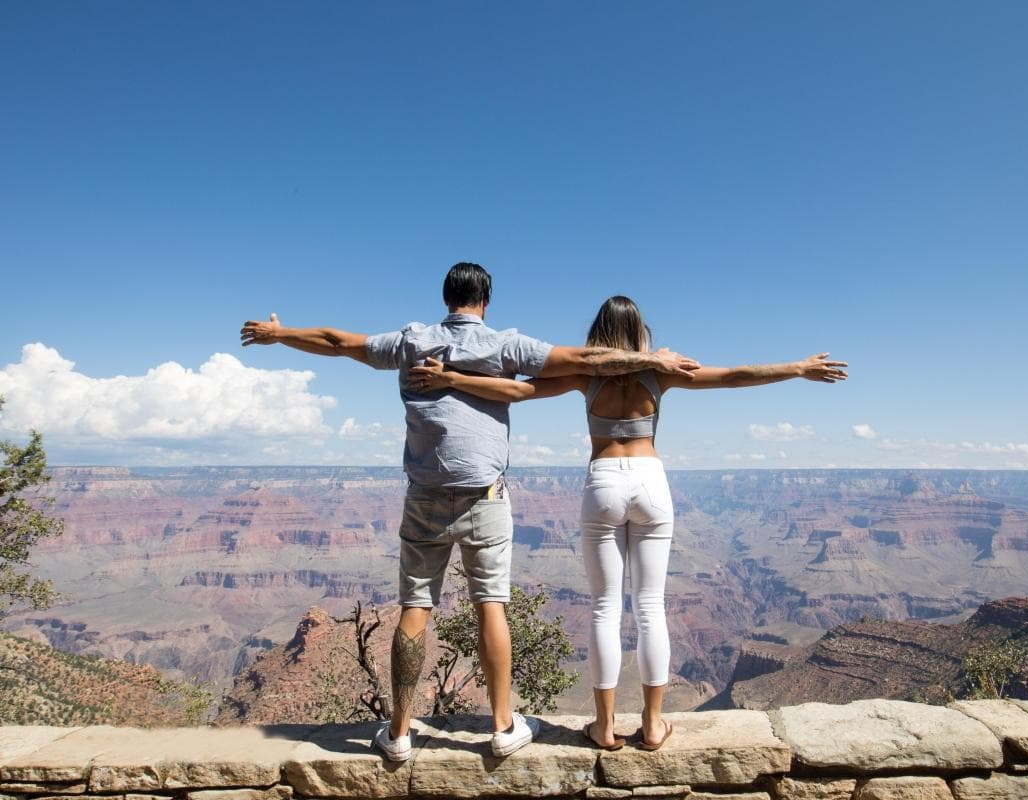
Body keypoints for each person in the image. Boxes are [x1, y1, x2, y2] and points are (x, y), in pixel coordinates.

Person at [240, 266, 700, 760]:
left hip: (424, 497)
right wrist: (653, 359)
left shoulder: (412, 341)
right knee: (491, 605)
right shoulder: (505, 346)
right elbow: (587, 358)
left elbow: (336, 341)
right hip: (486, 496)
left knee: (415, 607)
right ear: (486, 301)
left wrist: (280, 334)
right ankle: (504, 727)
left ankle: (397, 734)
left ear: (446, 298)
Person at [408, 295, 848, 751]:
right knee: (650, 607)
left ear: (597, 334)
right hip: (650, 482)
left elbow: (517, 391)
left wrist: (451, 377)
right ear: (640, 333)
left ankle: (603, 726)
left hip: (603, 482)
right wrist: (797, 367)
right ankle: (654, 724)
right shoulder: (660, 372)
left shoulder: (584, 373)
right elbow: (734, 377)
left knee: (604, 607)